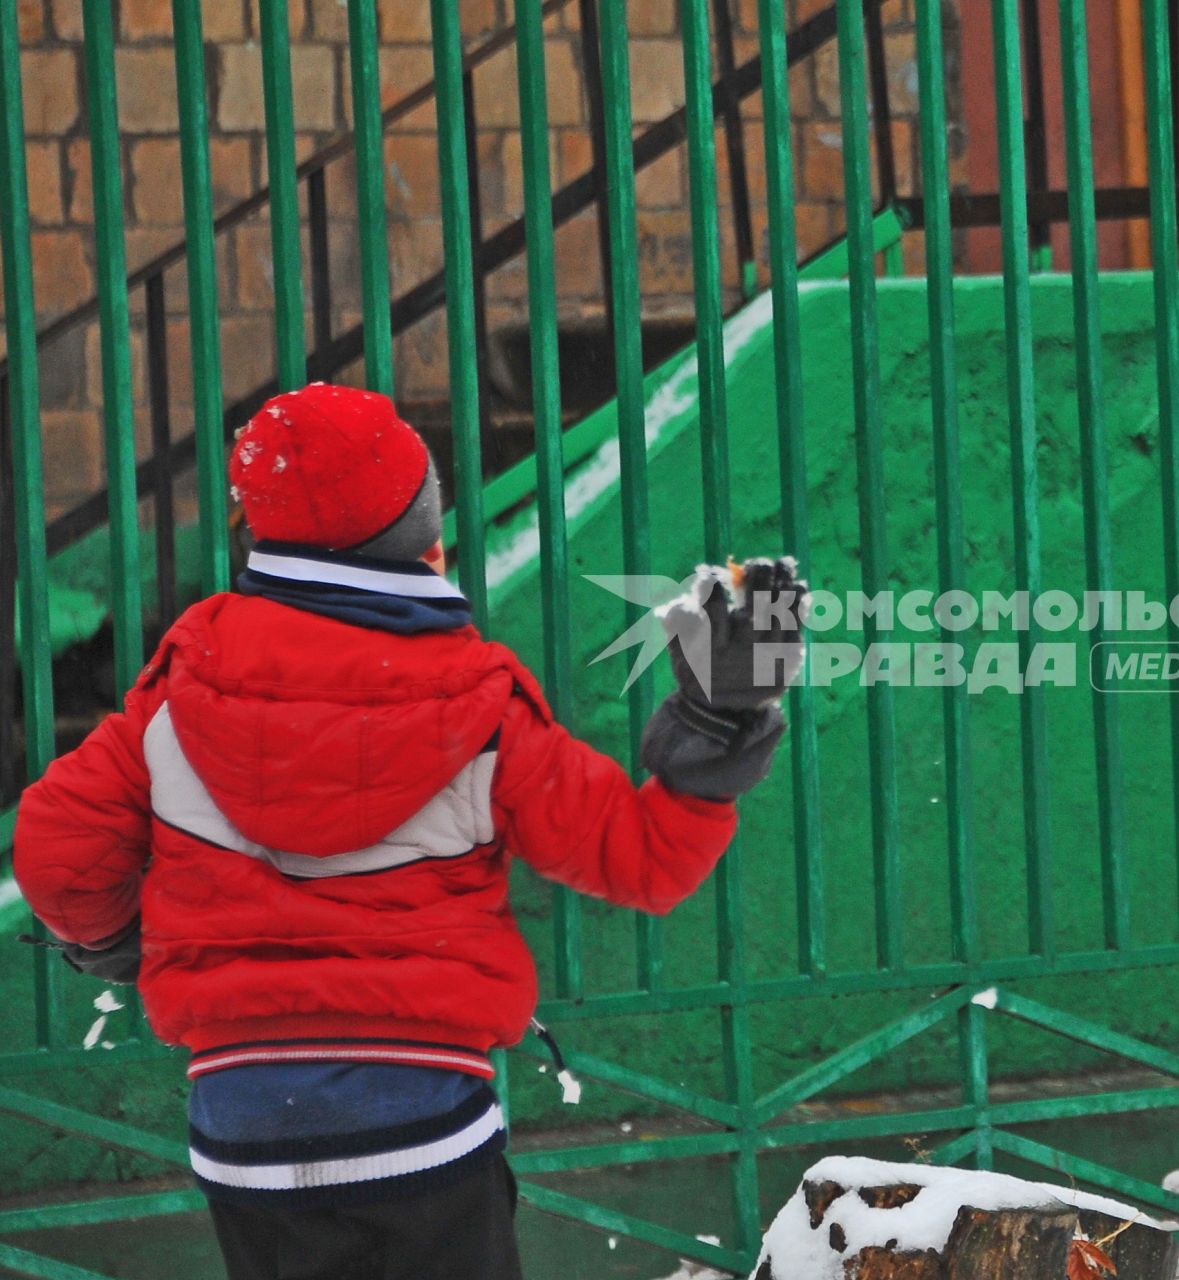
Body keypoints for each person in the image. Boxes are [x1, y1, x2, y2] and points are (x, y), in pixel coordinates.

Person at [14, 382, 803, 1279]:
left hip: (242, 1122)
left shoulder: (178, 688)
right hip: (419, 1122)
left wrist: (121, 941)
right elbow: (643, 861)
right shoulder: (479, 704)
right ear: (421, 533)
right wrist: (719, 730)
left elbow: (55, 846)